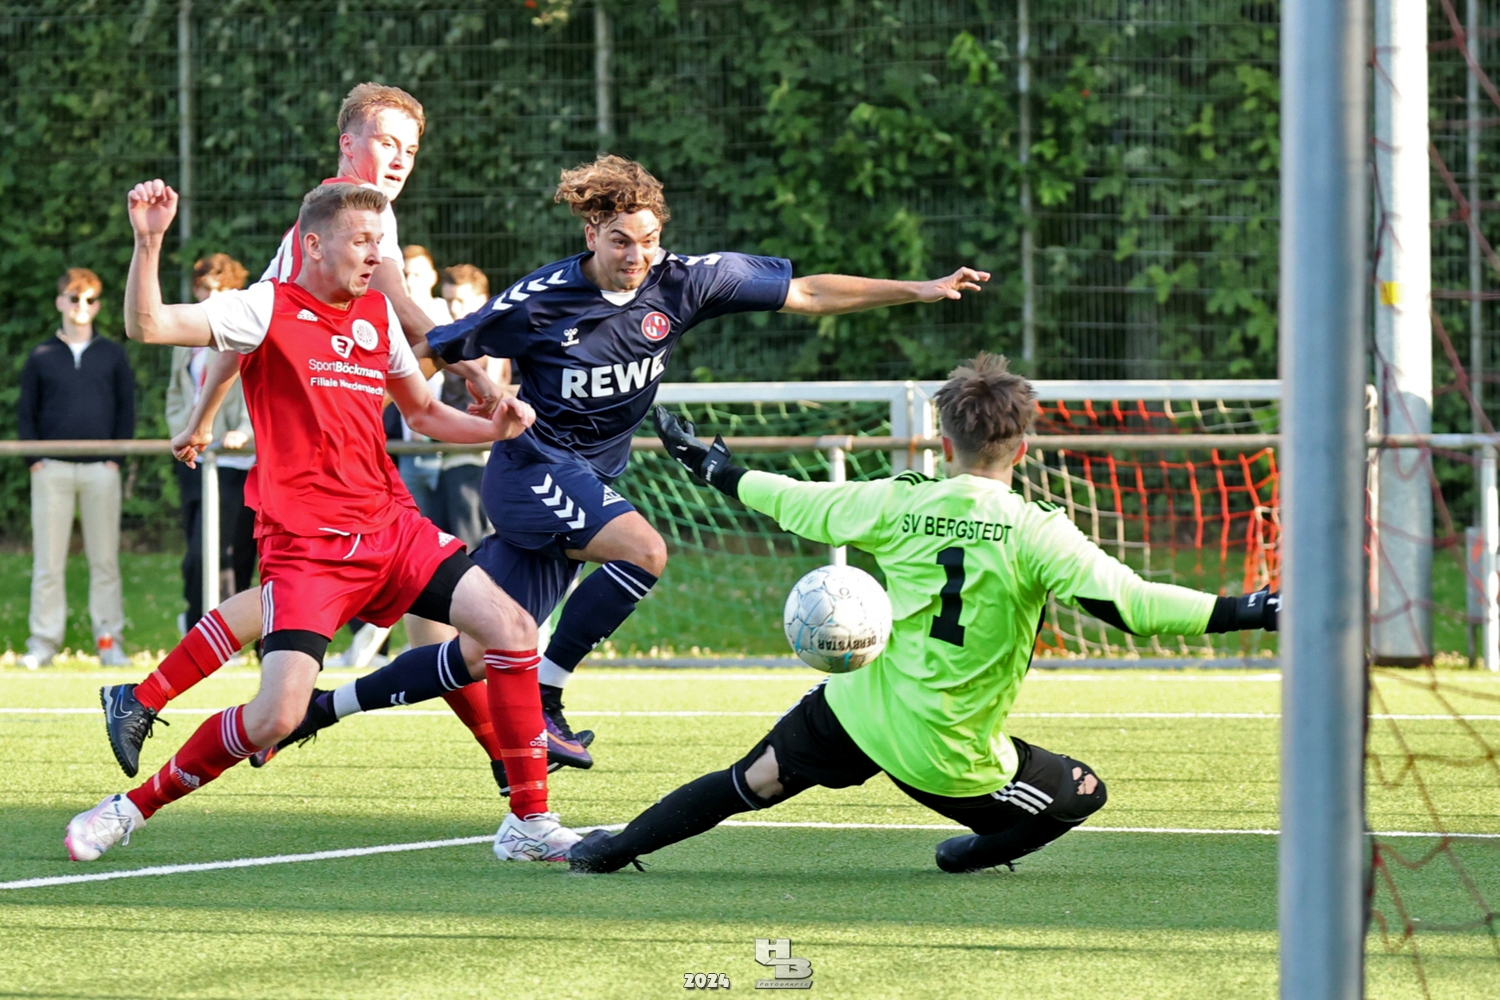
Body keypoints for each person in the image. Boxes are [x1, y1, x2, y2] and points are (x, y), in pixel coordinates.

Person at [566, 357, 1283, 874]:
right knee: (1081, 794)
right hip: (945, 754)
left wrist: (717, 468)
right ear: (1022, 448)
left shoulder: (902, 499)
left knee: (748, 781)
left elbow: (796, 500)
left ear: (944, 444)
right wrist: (1256, 607)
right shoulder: (1036, 530)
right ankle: (965, 854)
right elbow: (1133, 606)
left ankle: (612, 850)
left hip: (856, 710)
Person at [411, 153, 990, 768]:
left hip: (588, 477)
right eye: (620, 241)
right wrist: (376, 410)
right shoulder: (540, 300)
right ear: (591, 234)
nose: (636, 256)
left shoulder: (684, 281)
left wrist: (919, 289)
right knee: (644, 551)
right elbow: (431, 349)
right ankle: (546, 696)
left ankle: (342, 705)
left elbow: (808, 291)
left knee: (481, 651)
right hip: (534, 467)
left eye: (649, 240)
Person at [65, 179, 579, 864]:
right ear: (312, 244)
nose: (375, 256)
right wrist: (149, 240)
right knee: (274, 717)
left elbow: (424, 413)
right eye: (361, 241)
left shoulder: (377, 314)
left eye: (379, 242)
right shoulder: (264, 307)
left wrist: (495, 428)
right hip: (307, 550)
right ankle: (129, 808)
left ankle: (528, 821)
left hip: (392, 530)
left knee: (511, 630)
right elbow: (148, 325)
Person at [95, 83, 520, 798]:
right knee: (381, 606)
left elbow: (242, 335)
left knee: (310, 599)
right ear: (347, 145)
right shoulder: (343, 218)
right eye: (386, 142)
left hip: (335, 435)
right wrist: (475, 368)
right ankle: (505, 753)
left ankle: (150, 696)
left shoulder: (342, 222)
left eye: (410, 148)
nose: (399, 158)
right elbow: (390, 310)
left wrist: (203, 415)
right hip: (310, 437)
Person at [18, 267, 136, 668]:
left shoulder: (113, 355)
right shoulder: (41, 356)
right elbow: (26, 412)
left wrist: (115, 460)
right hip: (50, 471)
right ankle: (43, 643)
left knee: (105, 562)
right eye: (73, 298)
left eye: (89, 299)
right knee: (48, 564)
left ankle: (109, 643)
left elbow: (126, 410)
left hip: (101, 472)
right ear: (60, 302)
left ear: (97, 305)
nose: (80, 306)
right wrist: (35, 461)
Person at [166, 254, 257, 633]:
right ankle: (198, 622)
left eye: (221, 289)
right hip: (195, 458)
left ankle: (226, 632)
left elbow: (256, 391)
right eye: (205, 289)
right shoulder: (186, 341)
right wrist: (183, 430)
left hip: (234, 461)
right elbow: (176, 393)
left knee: (230, 554)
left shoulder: (247, 332)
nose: (211, 297)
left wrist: (243, 432)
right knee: (197, 551)